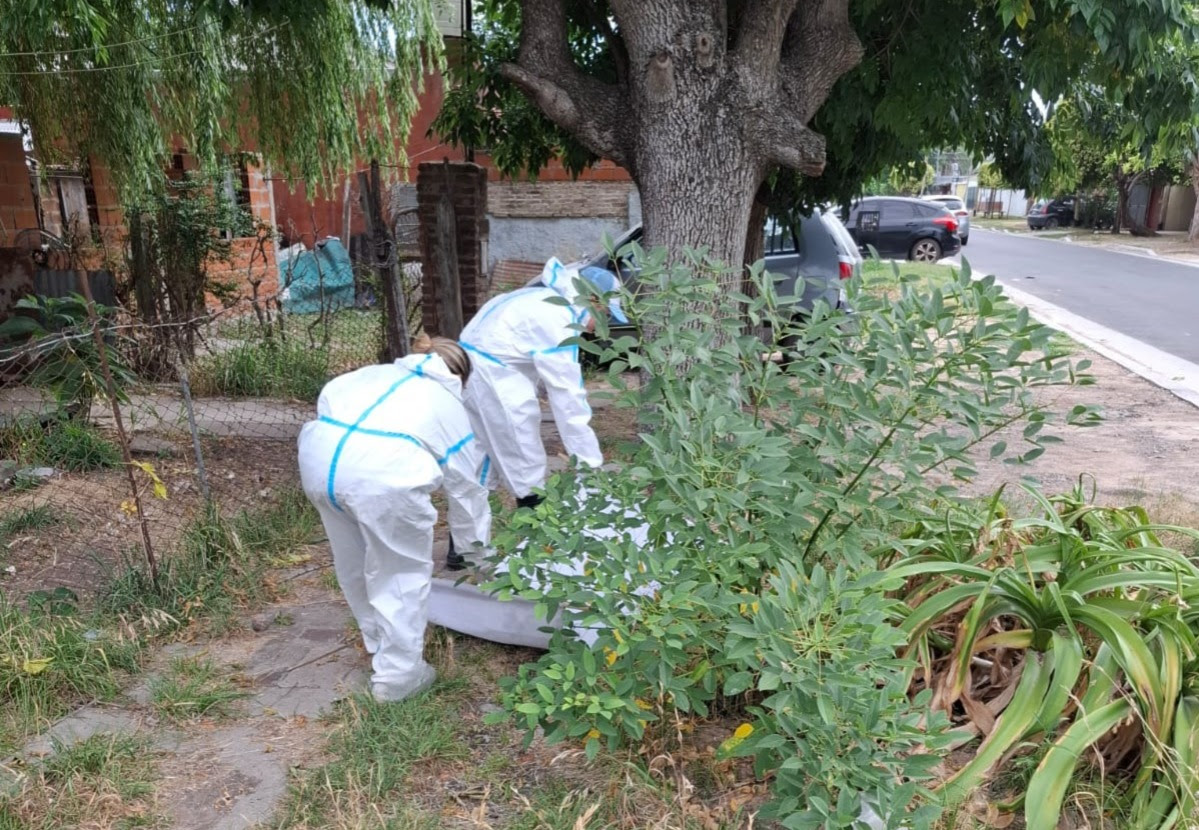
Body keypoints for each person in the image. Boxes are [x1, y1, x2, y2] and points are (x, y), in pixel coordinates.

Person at [297, 335, 490, 702]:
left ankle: (378, 641)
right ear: (459, 376)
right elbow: (468, 493)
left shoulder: (372, 374)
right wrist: (478, 560)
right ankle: (397, 678)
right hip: (384, 475)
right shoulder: (449, 406)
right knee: (398, 571)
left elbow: (328, 398)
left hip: (320, 461)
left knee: (352, 560)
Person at [450, 259, 625, 568]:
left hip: (469, 372)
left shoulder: (536, 297)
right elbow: (569, 402)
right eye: (606, 314)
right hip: (494, 380)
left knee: (477, 464)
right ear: (593, 301)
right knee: (525, 465)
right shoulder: (559, 318)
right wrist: (590, 466)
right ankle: (540, 555)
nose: (601, 325)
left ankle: (465, 552)